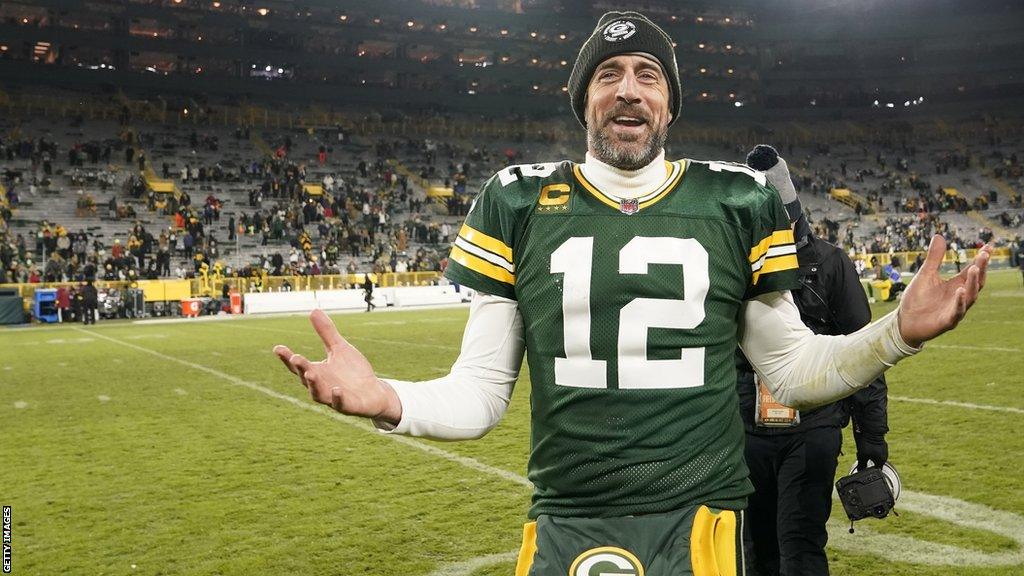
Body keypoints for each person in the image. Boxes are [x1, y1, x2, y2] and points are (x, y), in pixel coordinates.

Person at [273, 11, 991, 573]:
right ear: (583, 98)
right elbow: (482, 394)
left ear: (669, 104)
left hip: (701, 520)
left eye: (648, 74)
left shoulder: (736, 201)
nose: (628, 88)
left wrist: (898, 332)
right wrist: (391, 401)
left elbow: (793, 373)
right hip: (566, 514)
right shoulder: (517, 201)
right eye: (608, 73)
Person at [737, 146, 889, 576]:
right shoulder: (731, 263)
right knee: (755, 549)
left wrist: (871, 435)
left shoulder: (830, 263)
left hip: (813, 424)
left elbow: (864, 353)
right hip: (746, 428)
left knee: (801, 545)